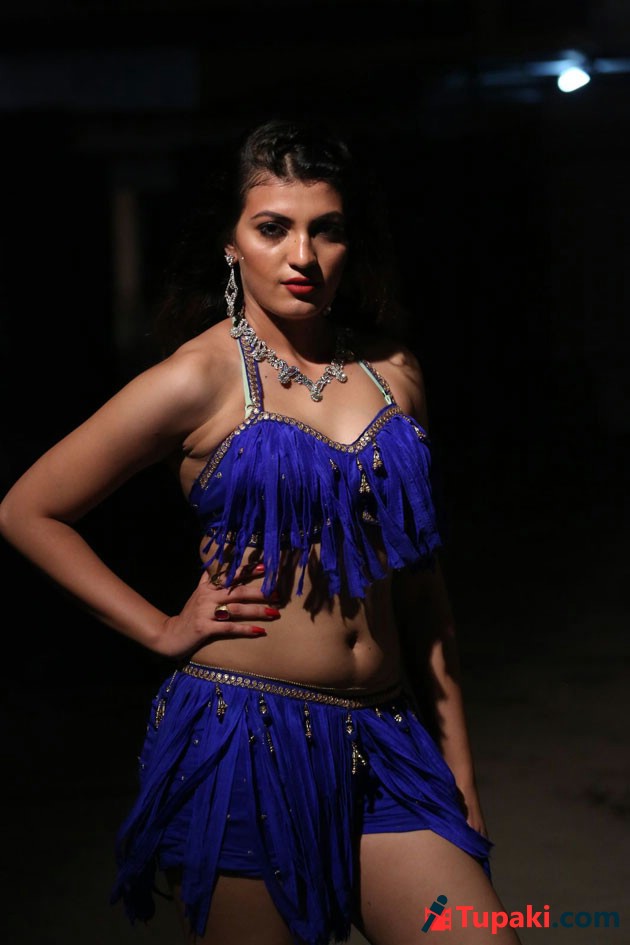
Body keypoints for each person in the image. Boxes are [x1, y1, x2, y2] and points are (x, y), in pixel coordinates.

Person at [0, 118, 522, 945]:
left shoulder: (394, 372)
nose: (302, 256)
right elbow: (28, 509)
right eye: (273, 228)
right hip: (245, 741)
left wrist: (459, 771)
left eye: (326, 229)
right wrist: (161, 628)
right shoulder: (198, 377)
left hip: (389, 741)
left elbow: (424, 592)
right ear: (232, 243)